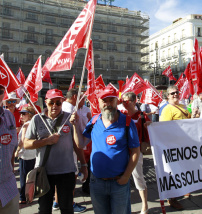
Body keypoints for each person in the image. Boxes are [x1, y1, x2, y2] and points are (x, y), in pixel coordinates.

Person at [72, 84, 140, 214]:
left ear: (117, 101)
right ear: (98, 102)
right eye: (104, 100)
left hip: (119, 182)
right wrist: (75, 126)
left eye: (111, 100)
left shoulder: (127, 122)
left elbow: (135, 151)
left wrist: (126, 176)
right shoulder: (94, 121)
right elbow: (81, 144)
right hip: (97, 182)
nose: (107, 104)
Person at [24, 89, 88, 214]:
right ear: (46, 102)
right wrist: (46, 141)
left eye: (58, 103)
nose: (54, 106)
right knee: (44, 209)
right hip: (44, 172)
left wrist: (84, 165)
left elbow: (77, 144)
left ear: (62, 102)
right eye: (51, 102)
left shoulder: (69, 118)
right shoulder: (37, 119)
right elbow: (26, 144)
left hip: (66, 172)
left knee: (67, 208)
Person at [160, 85, 191, 210]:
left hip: (184, 144)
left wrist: (193, 115)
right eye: (172, 93)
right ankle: (172, 199)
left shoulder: (183, 106)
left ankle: (183, 189)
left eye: (177, 92)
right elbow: (163, 129)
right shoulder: (167, 109)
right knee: (174, 172)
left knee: (183, 169)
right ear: (168, 96)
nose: (175, 95)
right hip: (173, 145)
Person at [122, 92, 150, 214]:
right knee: (122, 180)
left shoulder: (141, 115)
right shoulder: (120, 115)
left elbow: (150, 132)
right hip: (122, 152)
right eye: (123, 101)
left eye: (127, 101)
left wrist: (149, 125)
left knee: (138, 177)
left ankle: (145, 205)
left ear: (134, 102)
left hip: (136, 153)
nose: (124, 103)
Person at [0, 84, 19, 214]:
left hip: (8, 184)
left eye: (0, 91)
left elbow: (12, 144)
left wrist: (11, 165)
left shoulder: (8, 116)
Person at [15, 105, 36, 204]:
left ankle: (23, 197)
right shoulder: (34, 123)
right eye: (21, 113)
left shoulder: (26, 125)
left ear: (30, 115)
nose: (21, 116)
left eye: (24, 114)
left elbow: (22, 141)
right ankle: (31, 194)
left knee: (24, 177)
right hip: (34, 154)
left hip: (26, 154)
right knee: (32, 176)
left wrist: (17, 150)